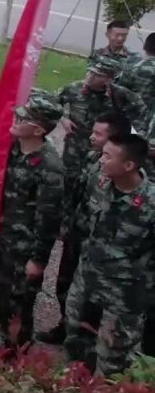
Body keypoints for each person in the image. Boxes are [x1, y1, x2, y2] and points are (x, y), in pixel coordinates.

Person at [64, 133, 155, 376]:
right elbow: (83, 220)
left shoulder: (151, 203)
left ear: (129, 165)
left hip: (123, 296)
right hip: (86, 280)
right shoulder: (99, 182)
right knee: (74, 340)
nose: (100, 160)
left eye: (107, 156)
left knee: (111, 359)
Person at [38, 110, 130, 345]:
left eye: (98, 134)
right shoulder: (92, 158)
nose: (91, 136)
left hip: (102, 251)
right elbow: (77, 194)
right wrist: (66, 225)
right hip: (78, 237)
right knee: (65, 286)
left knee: (93, 301)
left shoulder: (128, 176)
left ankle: (86, 343)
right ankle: (66, 325)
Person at [0, 97, 64, 353]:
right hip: (1, 238)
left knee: (18, 304)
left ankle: (14, 355)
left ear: (39, 130)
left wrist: (38, 260)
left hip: (23, 248)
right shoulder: (14, 148)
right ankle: (4, 345)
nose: (16, 121)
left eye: (23, 119)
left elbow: (48, 219)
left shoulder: (49, 167)